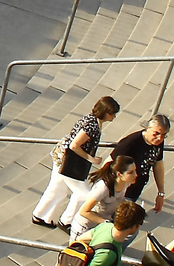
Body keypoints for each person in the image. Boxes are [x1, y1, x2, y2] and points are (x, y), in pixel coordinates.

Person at [32, 97, 118, 227]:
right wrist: (92, 159)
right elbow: (74, 145)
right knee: (84, 194)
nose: (114, 116)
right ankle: (67, 221)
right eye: (112, 113)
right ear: (105, 112)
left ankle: (40, 215)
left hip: (61, 156)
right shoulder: (92, 126)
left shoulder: (90, 119)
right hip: (69, 161)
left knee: (57, 188)